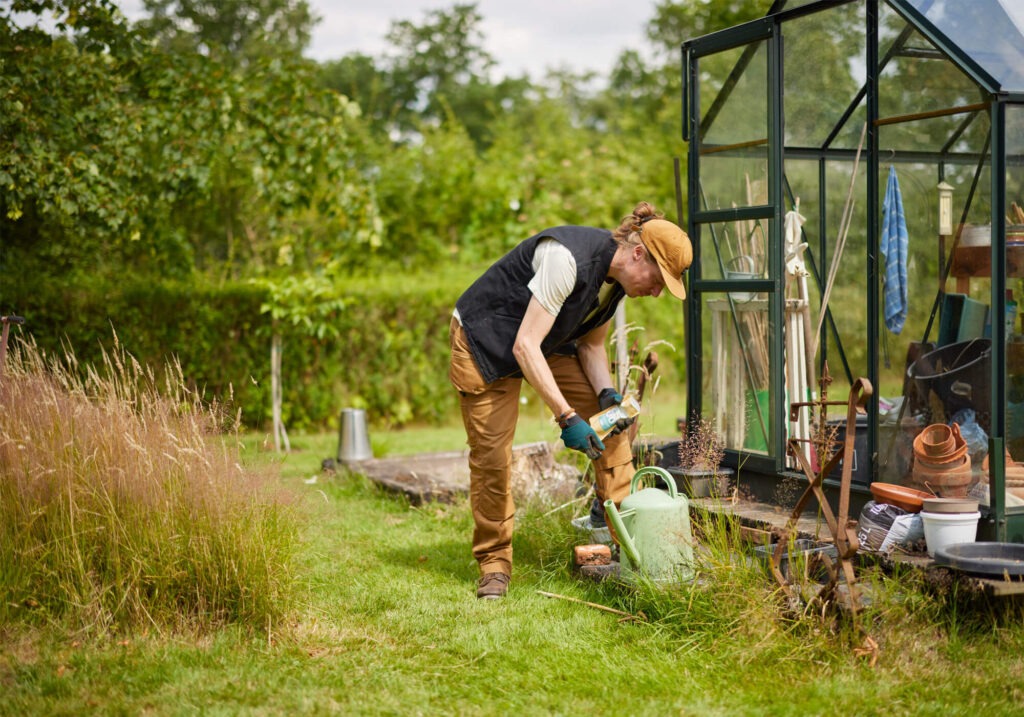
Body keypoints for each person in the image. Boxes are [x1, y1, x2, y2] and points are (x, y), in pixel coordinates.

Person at [448, 201, 692, 599]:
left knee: (613, 427)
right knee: (493, 457)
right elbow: (524, 346)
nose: (657, 290)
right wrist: (567, 417)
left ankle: (631, 550)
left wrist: (604, 395)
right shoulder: (566, 260)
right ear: (637, 253)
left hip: (546, 342)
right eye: (659, 278)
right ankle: (494, 565)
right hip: (485, 342)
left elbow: (591, 346)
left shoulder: (616, 284)